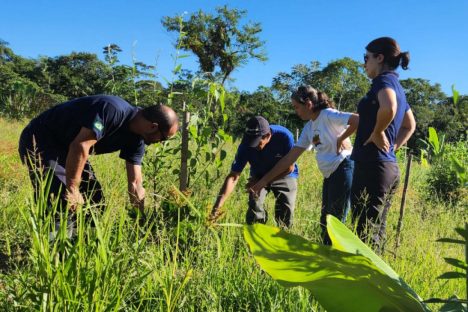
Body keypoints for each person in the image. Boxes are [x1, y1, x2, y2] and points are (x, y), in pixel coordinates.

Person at [18, 95, 179, 218]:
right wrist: (72, 189)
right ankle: (56, 252)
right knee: (60, 197)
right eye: (163, 138)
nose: (160, 143)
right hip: (41, 138)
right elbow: (80, 145)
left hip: (69, 148)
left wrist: (140, 218)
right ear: (153, 127)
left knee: (95, 201)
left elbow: (135, 183)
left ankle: (85, 245)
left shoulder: (138, 139)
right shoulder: (112, 110)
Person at [251, 86, 359, 244]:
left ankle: (334, 258)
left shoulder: (327, 115)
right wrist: (262, 182)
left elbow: (357, 119)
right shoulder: (309, 128)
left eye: (296, 107)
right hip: (330, 173)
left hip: (343, 167)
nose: (296, 111)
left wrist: (342, 138)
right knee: (326, 219)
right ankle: (326, 255)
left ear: (308, 103)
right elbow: (289, 159)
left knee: (335, 220)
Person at [351, 37, 416, 252]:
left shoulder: (383, 81)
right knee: (375, 230)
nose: (364, 63)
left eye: (366, 58)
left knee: (365, 232)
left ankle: (365, 282)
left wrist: (378, 132)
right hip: (385, 167)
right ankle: (373, 281)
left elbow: (389, 106)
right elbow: (410, 125)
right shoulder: (397, 85)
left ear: (380, 58)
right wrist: (393, 147)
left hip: (373, 166)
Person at [209, 116, 298, 228]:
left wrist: (263, 182)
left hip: (284, 174)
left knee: (286, 206)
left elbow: (289, 168)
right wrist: (216, 208)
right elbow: (233, 176)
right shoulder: (245, 145)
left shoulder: (285, 136)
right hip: (259, 174)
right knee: (255, 203)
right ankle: (255, 233)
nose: (253, 146)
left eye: (257, 143)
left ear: (268, 136)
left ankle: (284, 236)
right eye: (251, 142)